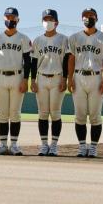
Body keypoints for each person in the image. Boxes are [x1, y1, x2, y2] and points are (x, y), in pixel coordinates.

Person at [67, 8, 103, 158]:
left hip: (96, 76)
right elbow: (71, 59)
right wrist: (70, 78)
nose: (88, 18)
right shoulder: (74, 38)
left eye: (91, 16)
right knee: (79, 115)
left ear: (96, 18)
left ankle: (93, 147)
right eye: (85, 16)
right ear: (81, 19)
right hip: (79, 76)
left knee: (95, 115)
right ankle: (81, 146)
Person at [0, 7, 32, 155]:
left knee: (15, 113)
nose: (10, 20)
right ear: (3, 19)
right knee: (2, 113)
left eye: (13, 18)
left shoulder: (23, 38)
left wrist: (26, 80)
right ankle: (2, 144)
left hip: (17, 76)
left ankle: (13, 144)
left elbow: (28, 61)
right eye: (7, 17)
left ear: (18, 20)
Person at [31, 9, 69, 156]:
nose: (48, 22)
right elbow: (34, 62)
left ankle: (54, 145)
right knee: (43, 113)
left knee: (55, 112)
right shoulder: (38, 40)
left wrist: (65, 79)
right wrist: (32, 80)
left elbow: (66, 61)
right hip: (41, 78)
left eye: (50, 19)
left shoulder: (63, 39)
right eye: (45, 19)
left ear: (56, 22)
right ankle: (44, 144)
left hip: (57, 77)